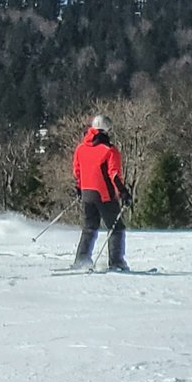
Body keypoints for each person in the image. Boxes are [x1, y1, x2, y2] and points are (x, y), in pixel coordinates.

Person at [71, 114, 129, 272]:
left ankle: (81, 259)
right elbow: (114, 174)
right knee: (116, 227)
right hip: (104, 194)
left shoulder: (81, 148)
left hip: (87, 193)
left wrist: (79, 188)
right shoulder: (109, 150)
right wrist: (123, 192)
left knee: (90, 226)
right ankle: (116, 262)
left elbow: (77, 171)